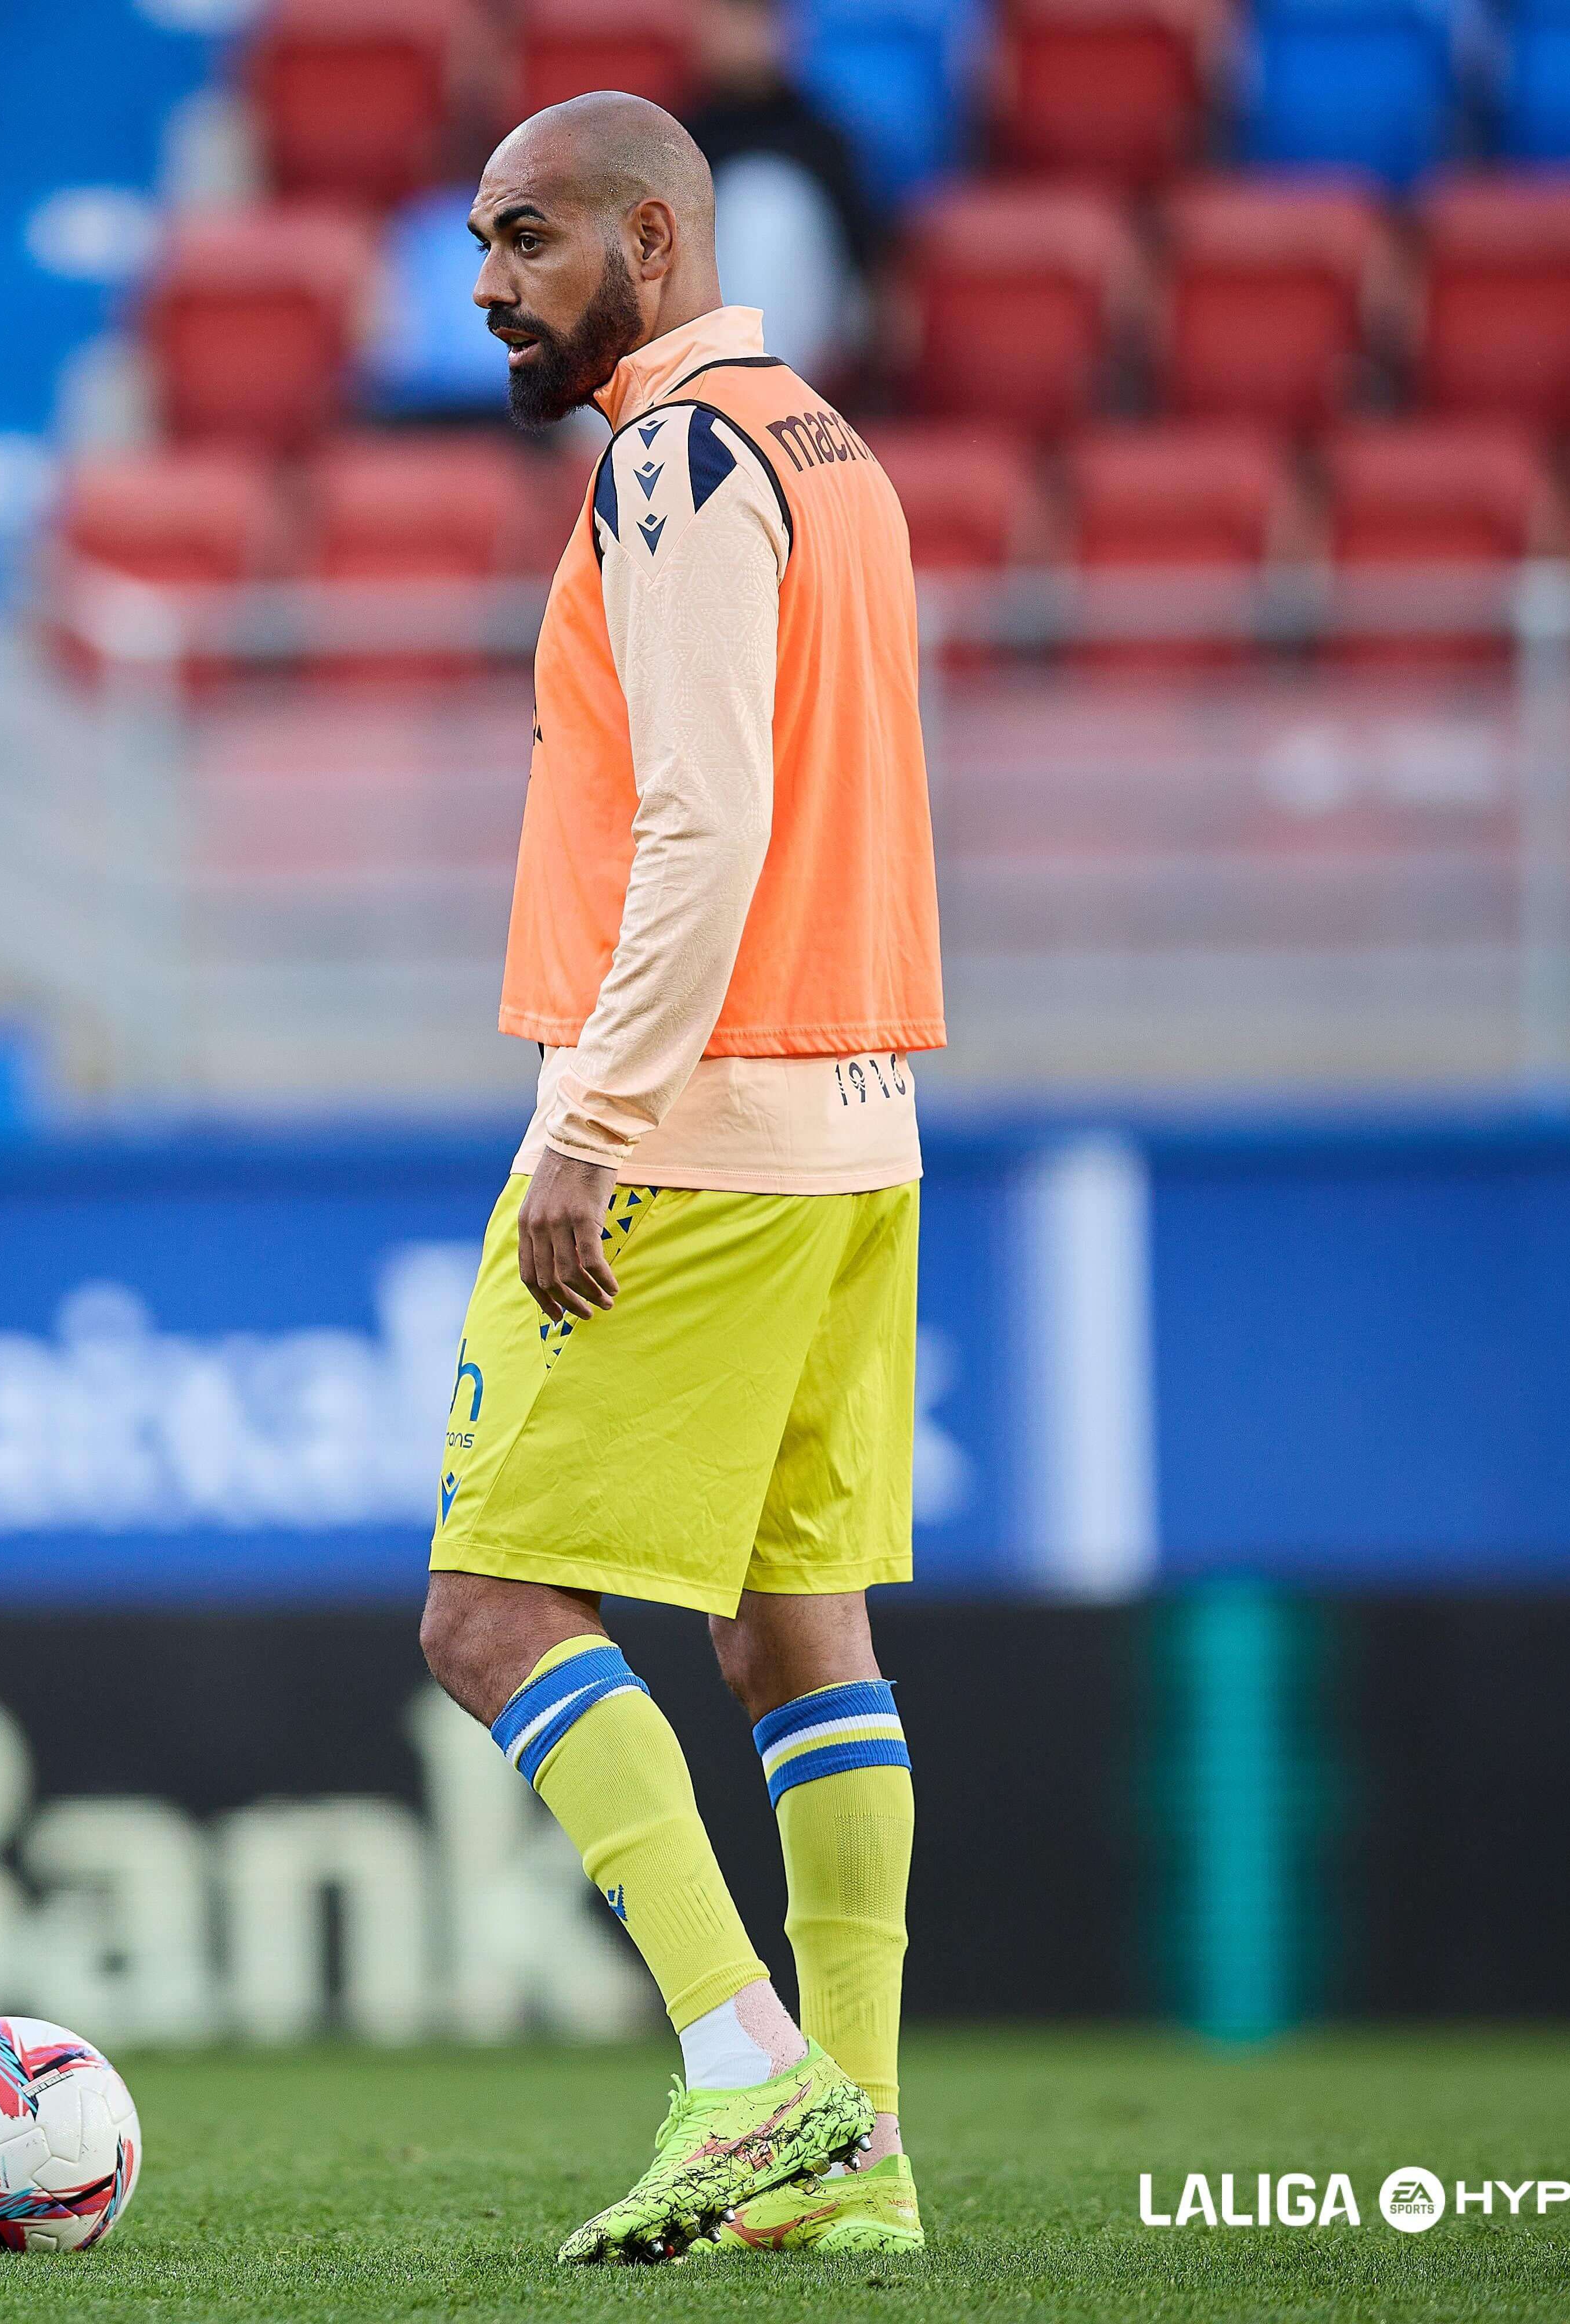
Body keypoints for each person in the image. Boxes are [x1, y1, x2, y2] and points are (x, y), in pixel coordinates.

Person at [433, 89, 942, 2265]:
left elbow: (707, 820)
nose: (485, 283)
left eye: (528, 237)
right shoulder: (831, 445)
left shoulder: (678, 453)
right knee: (782, 1620)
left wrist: (591, 1121)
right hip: (851, 1121)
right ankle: (864, 2154)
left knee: (486, 1608)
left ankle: (752, 2077)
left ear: (651, 238)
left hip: (695, 1130)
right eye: (476, 238)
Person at [682, 0, 893, 382]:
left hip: (813, 318)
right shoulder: (677, 137)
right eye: (732, 20)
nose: (744, 37)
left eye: (757, 21)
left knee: (763, 209)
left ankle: (755, 393)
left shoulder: (825, 138)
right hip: (701, 320)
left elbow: (866, 269)